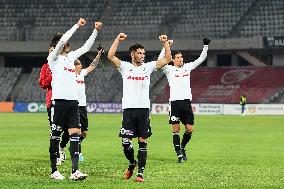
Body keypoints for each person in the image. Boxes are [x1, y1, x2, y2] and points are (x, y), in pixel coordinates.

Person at [107, 33, 171, 182]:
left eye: (143, 53)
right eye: (139, 53)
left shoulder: (148, 67)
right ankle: (132, 163)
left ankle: (140, 174)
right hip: (128, 109)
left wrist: (165, 43)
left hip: (143, 109)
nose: (142, 55)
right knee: (126, 142)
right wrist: (117, 39)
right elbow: (110, 56)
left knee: (143, 140)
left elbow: (167, 59)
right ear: (132, 54)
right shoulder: (125, 67)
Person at [47, 18, 102, 180]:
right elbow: (63, 39)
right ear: (59, 45)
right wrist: (76, 26)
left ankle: (74, 171)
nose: (66, 43)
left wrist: (95, 31)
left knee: (75, 135)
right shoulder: (53, 58)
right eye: (64, 42)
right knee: (56, 135)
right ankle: (54, 171)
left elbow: (86, 47)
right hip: (59, 102)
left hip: (73, 103)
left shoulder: (71, 58)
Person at [158, 38, 210, 163]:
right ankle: (179, 155)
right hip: (175, 104)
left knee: (189, 129)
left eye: (181, 57)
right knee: (176, 130)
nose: (181, 59)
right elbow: (159, 61)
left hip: (186, 103)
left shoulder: (187, 67)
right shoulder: (169, 69)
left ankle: (182, 147)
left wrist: (206, 46)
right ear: (173, 60)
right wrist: (165, 46)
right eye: (178, 57)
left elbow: (201, 59)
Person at [58, 48, 104, 163]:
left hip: (82, 106)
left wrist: (98, 55)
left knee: (84, 133)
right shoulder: (69, 76)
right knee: (75, 131)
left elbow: (92, 66)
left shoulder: (82, 74)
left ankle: (69, 146)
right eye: (79, 65)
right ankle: (74, 151)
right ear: (74, 67)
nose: (81, 66)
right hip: (73, 105)